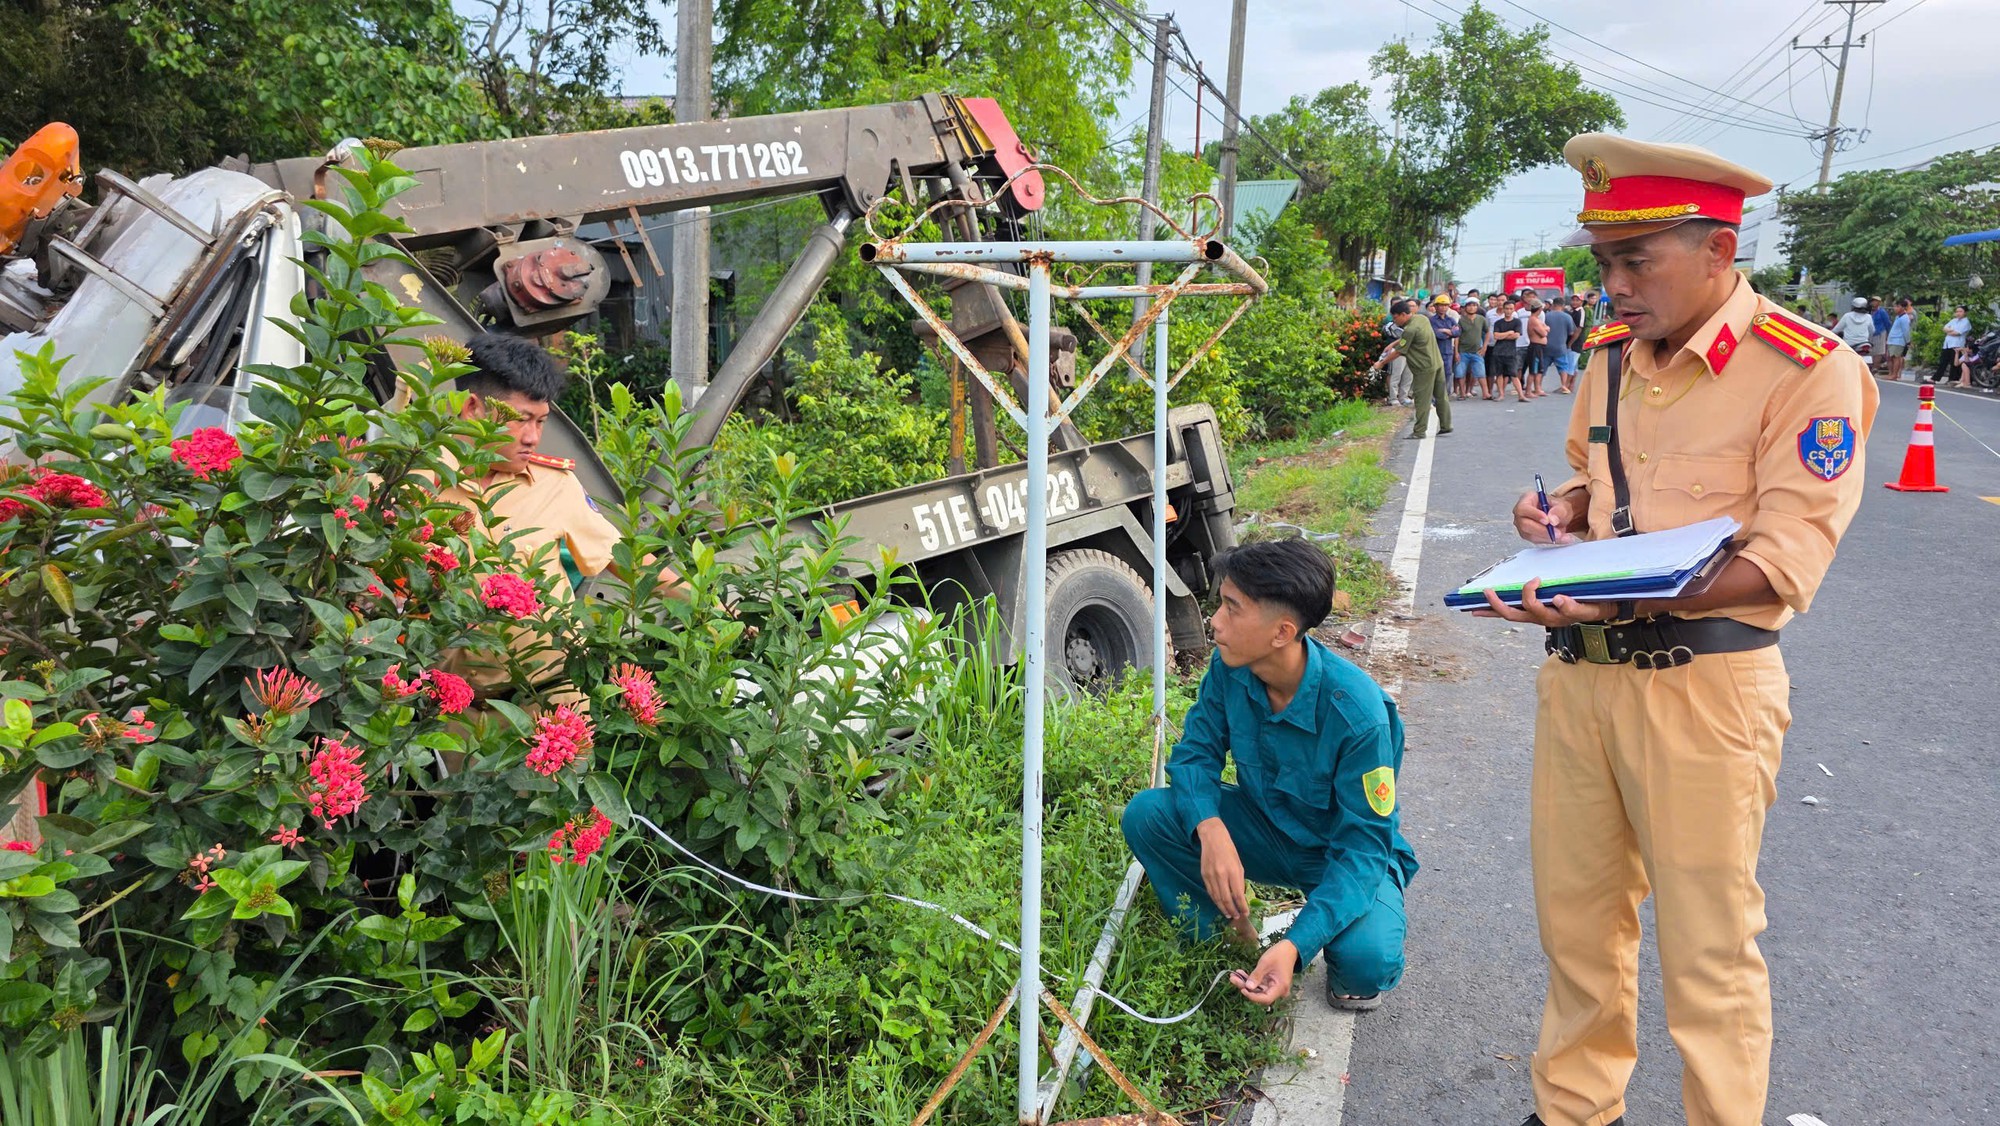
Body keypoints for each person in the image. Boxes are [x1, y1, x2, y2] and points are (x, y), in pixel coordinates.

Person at [1478, 134, 1878, 1126]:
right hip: (1579, 683)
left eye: (1635, 260)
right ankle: (1573, 1109)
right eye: (1602, 261)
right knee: (1576, 928)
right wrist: (1555, 519)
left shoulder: (1806, 370)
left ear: (1715, 250)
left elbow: (1782, 561)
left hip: (1704, 690)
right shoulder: (1612, 359)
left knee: (1707, 949)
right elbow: (1593, 482)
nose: (1610, 286)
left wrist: (1625, 599)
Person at [1120, 539, 1419, 1011]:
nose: (1214, 621)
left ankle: (1304, 943)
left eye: (1232, 609)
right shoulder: (1229, 669)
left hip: (1337, 855)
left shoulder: (1360, 716)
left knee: (1365, 961)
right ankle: (1219, 940)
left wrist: (1295, 947)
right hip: (1266, 832)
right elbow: (1194, 755)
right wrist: (1211, 829)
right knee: (1148, 815)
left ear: (1282, 632)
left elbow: (1362, 849)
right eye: (1220, 603)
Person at [432, 333, 682, 692]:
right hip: (450, 710)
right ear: (473, 409)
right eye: (521, 419)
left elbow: (629, 563)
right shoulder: (422, 484)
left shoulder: (555, 485)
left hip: (551, 698)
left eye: (541, 421)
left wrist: (712, 608)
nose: (533, 437)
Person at [1370, 298, 1451, 439]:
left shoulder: (1410, 329)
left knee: (1422, 400)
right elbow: (1406, 339)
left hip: (1424, 368)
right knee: (1441, 396)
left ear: (1403, 314)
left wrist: (1381, 363)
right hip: (1437, 363)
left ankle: (1419, 431)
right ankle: (1446, 425)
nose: (1395, 322)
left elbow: (1399, 352)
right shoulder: (1422, 319)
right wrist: (1393, 344)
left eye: (1395, 318)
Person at [1490, 295, 1524, 400]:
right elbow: (1496, 336)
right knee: (1499, 374)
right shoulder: (1498, 323)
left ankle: (1521, 395)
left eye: (1511, 309)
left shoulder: (1517, 322)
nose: (1509, 311)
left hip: (1511, 352)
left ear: (1514, 310)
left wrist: (1503, 335)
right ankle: (1501, 394)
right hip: (1498, 352)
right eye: (1507, 308)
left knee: (1514, 374)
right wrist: (1509, 332)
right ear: (1503, 309)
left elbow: (1516, 335)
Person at [1542, 297, 1579, 395]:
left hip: (1546, 345)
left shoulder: (1546, 316)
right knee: (1563, 367)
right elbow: (1571, 332)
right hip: (1560, 346)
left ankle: (1538, 386)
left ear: (1553, 305)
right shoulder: (1567, 317)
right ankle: (1563, 385)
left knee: (1542, 367)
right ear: (1563, 306)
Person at [1429, 292, 1461, 400]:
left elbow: (1457, 333)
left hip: (1448, 351)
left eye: (1446, 305)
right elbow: (1437, 335)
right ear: (1436, 306)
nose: (1443, 308)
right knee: (1435, 374)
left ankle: (1445, 395)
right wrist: (1449, 332)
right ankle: (1433, 397)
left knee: (1447, 373)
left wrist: (1446, 331)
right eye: (1441, 305)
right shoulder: (1431, 320)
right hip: (1436, 351)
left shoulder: (1450, 319)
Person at [1457, 298, 1491, 400]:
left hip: (1477, 350)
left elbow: (1488, 332)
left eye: (1474, 305)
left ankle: (1486, 394)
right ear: (1465, 307)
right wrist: (1456, 352)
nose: (1472, 308)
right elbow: (1457, 337)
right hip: (1463, 351)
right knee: (1460, 373)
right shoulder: (1461, 320)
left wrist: (1485, 346)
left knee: (1481, 373)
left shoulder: (1481, 319)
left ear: (1477, 307)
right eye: (1469, 305)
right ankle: (1462, 394)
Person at [1378, 311, 1413, 406]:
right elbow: (1402, 338)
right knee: (1396, 375)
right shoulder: (1390, 325)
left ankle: (1404, 397)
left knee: (1408, 376)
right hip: (1397, 353)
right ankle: (1393, 397)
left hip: (1410, 353)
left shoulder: (1412, 324)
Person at [1939, 304, 1972, 382]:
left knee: (1954, 364)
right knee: (1943, 362)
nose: (1958, 313)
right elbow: (1944, 328)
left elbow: (1957, 333)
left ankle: (1952, 379)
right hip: (1947, 344)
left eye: (1960, 311)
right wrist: (1950, 330)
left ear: (1965, 313)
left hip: (1956, 345)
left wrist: (1949, 331)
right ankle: (1935, 378)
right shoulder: (1953, 320)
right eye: (1957, 311)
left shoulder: (1966, 322)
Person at [1886, 297, 1916, 381]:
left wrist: (1908, 341)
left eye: (1897, 306)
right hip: (1892, 340)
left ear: (1903, 307)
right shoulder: (1898, 317)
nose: (1895, 308)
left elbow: (1906, 331)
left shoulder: (1904, 318)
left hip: (1898, 340)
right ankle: (1891, 373)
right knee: (1890, 357)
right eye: (1895, 306)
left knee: (1896, 357)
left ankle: (1895, 374)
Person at [1868, 296, 1891, 375]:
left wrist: (1888, 334)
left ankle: (1875, 367)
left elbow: (1887, 323)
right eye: (1873, 301)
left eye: (1876, 301)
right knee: (1869, 350)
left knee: (1878, 351)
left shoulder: (1882, 312)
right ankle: (1869, 367)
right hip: (1869, 333)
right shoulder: (1869, 311)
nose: (1874, 303)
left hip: (1879, 332)